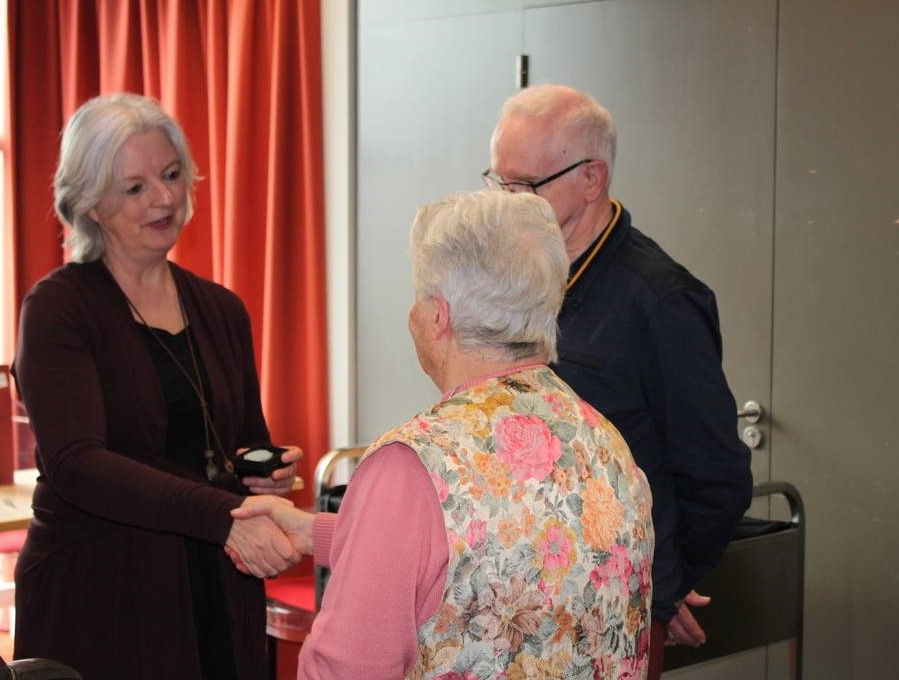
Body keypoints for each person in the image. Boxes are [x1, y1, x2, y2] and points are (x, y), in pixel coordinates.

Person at [235, 190, 655, 679]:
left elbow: (347, 669)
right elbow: (509, 549)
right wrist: (317, 532)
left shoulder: (413, 464)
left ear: (439, 315)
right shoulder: (603, 440)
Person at [10, 93, 302, 680]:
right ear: (90, 203)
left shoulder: (221, 309)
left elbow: (238, 440)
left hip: (214, 581)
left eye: (170, 175)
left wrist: (264, 472)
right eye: (135, 187)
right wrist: (225, 514)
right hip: (103, 590)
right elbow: (77, 464)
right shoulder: (59, 309)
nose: (165, 198)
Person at [484, 84, 753, 677]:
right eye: (498, 181)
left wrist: (666, 585)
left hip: (614, 605)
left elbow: (717, 474)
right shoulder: (518, 274)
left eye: (526, 185)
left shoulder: (660, 300)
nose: (507, 202)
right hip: (523, 595)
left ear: (592, 178)